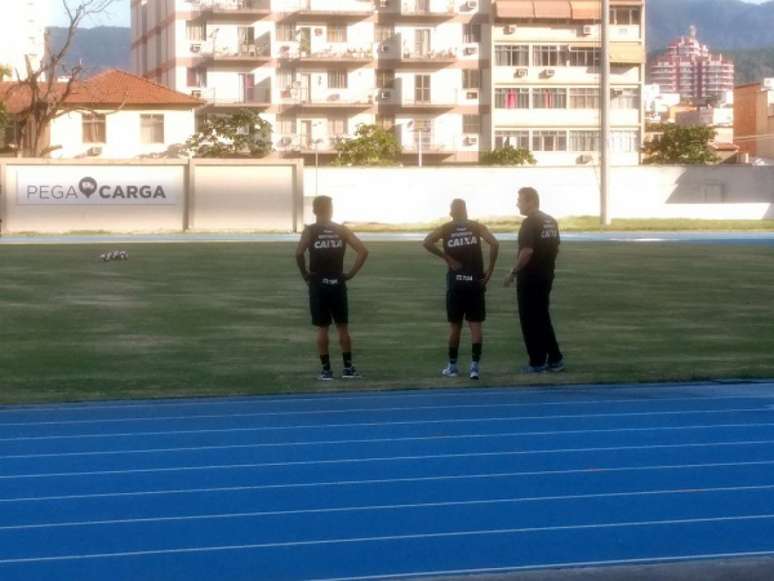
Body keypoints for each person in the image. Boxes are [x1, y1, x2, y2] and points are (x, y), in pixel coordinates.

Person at [424, 199, 499, 380]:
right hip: (475, 282)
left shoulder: (446, 228)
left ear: (452, 212)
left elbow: (427, 242)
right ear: (466, 211)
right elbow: (494, 244)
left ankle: (452, 366)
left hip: (456, 283)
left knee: (455, 327)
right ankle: (474, 367)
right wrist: (489, 271)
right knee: (475, 326)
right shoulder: (477, 227)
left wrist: (448, 259)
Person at [296, 195, 369, 381]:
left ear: (314, 210)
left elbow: (299, 253)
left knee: (322, 328)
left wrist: (305, 274)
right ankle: (348, 368)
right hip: (337, 283)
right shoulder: (341, 230)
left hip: (318, 284)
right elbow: (363, 251)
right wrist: (350, 274)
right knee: (342, 327)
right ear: (330, 210)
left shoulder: (310, 231)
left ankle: (326, 370)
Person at [504, 187, 564, 373]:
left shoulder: (530, 223)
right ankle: (555, 358)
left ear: (530, 202)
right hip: (546, 275)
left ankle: (537, 361)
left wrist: (513, 272)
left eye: (520, 200)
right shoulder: (550, 221)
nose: (517, 204)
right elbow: (555, 246)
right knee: (542, 317)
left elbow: (527, 251)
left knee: (530, 319)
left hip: (530, 277)